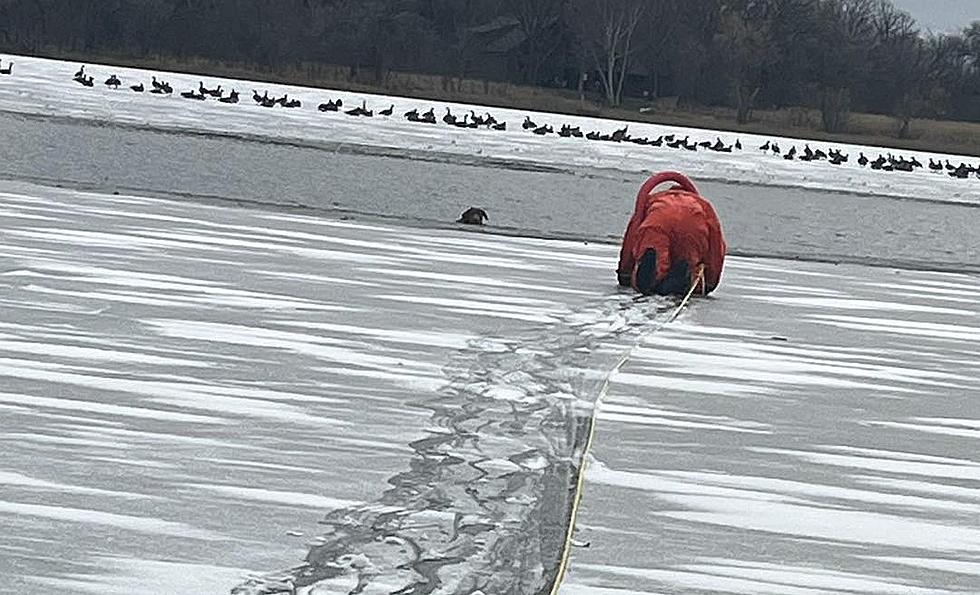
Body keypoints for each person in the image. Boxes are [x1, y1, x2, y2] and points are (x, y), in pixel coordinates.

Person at [617, 171, 726, 296]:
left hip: (658, 219)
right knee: (689, 260)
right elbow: (715, 248)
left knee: (655, 255)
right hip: (694, 223)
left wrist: (625, 274)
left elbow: (631, 236)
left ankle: (651, 275)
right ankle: (684, 273)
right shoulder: (703, 205)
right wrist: (710, 282)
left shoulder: (652, 200)